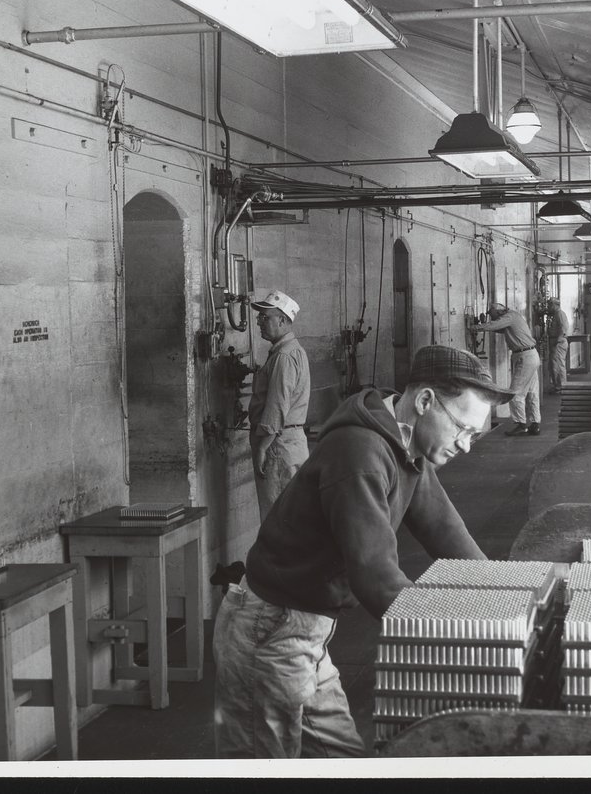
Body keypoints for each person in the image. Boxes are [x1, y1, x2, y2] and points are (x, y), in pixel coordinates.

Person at [213, 344, 514, 758]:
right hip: (269, 630)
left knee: (344, 761)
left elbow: (443, 528)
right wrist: (468, 644)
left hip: (308, 631)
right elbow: (376, 575)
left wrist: (509, 593)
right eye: (462, 429)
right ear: (425, 401)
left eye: (474, 435)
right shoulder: (360, 452)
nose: (465, 445)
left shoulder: (404, 442)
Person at [248, 290, 310, 520]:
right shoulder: (294, 351)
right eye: (259, 317)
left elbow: (277, 407)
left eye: (265, 317)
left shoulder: (283, 357)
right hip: (290, 443)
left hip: (277, 446)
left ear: (282, 320)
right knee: (293, 518)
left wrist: (262, 448)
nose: (259, 322)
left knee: (276, 519)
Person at [472, 302, 541, 435]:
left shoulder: (510, 316)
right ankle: (535, 424)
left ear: (498, 311)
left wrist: (474, 327)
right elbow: (498, 328)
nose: (491, 316)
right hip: (530, 355)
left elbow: (494, 325)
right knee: (532, 392)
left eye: (491, 313)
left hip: (525, 357)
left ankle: (521, 425)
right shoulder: (512, 317)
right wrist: (484, 326)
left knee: (514, 394)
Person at [543, 297, 570, 394]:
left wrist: (558, 340)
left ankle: (562, 386)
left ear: (555, 305)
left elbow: (564, 327)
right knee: (553, 365)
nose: (549, 307)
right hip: (555, 342)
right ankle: (557, 386)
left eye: (550, 304)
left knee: (559, 364)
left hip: (559, 342)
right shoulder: (555, 314)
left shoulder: (560, 313)